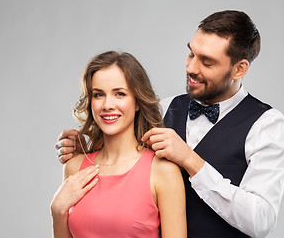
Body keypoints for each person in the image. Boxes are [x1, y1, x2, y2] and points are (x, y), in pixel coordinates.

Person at [55, 10, 284, 238]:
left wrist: (191, 161)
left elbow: (261, 221)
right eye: (191, 54)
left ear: (239, 69)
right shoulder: (164, 109)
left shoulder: (267, 125)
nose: (191, 68)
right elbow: (122, 153)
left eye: (207, 62)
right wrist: (84, 152)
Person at [50, 51, 186, 238]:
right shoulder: (74, 167)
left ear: (137, 102)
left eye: (119, 94)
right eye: (98, 95)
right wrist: (57, 212)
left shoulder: (163, 171)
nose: (107, 105)